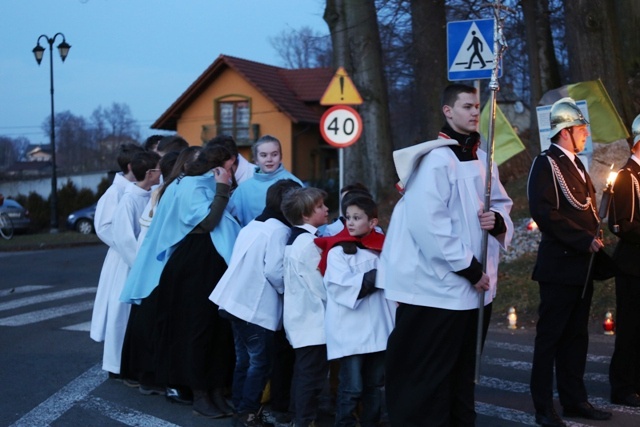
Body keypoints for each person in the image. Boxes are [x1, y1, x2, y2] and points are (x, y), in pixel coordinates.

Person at [379, 83, 513, 426]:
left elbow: (501, 204)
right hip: (436, 291)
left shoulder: (484, 160)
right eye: (466, 106)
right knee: (428, 379)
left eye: (476, 106)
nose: (473, 112)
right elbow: (430, 225)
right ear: (448, 111)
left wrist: (498, 221)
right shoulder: (435, 161)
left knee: (461, 377)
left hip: (475, 292)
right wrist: (468, 268)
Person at [528, 97, 614, 426]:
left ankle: (575, 400)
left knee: (576, 338)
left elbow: (583, 209)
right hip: (559, 267)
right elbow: (544, 212)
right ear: (565, 131)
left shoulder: (576, 164)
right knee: (549, 339)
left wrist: (594, 235)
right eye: (582, 129)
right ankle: (542, 408)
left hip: (582, 267)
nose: (586, 135)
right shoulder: (546, 163)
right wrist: (582, 239)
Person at [210, 179, 302, 426]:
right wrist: (288, 289)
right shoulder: (279, 231)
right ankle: (249, 414)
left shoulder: (254, 225)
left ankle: (241, 409)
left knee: (245, 360)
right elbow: (274, 270)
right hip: (254, 307)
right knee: (260, 363)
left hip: (232, 301)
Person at [315, 195, 393, 427]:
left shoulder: (384, 248)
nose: (350, 222)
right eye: (348, 217)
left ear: (372, 222)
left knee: (374, 385)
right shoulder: (339, 251)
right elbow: (340, 286)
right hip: (351, 330)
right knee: (351, 387)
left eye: (357, 218)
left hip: (379, 328)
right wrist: (374, 278)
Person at [102, 150, 161, 381]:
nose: (161, 172)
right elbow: (124, 238)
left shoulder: (150, 194)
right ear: (149, 173)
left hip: (142, 263)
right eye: (158, 169)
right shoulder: (127, 199)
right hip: (130, 265)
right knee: (121, 315)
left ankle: (135, 362)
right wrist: (140, 264)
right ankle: (116, 364)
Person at [90, 142, 144, 378]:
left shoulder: (137, 188)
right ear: (132, 166)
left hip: (133, 254)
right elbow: (103, 227)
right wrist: (128, 246)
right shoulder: (115, 193)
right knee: (119, 310)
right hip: (122, 258)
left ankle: (130, 359)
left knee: (130, 311)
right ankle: (115, 363)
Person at [281, 187, 330, 427]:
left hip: (300, 317)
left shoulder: (295, 239)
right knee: (311, 375)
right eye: (320, 206)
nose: (326, 209)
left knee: (303, 372)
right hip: (312, 319)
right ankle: (304, 420)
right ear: (305, 215)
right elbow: (318, 284)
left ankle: (298, 416)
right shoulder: (309, 243)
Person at [608, 114, 640, 408]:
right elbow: (622, 224)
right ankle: (622, 386)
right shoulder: (626, 176)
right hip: (632, 265)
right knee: (630, 326)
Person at [228, 135, 302, 226]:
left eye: (274, 154)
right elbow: (232, 221)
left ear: (281, 157)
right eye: (263, 155)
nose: (269, 159)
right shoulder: (243, 189)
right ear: (255, 159)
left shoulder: (293, 184)